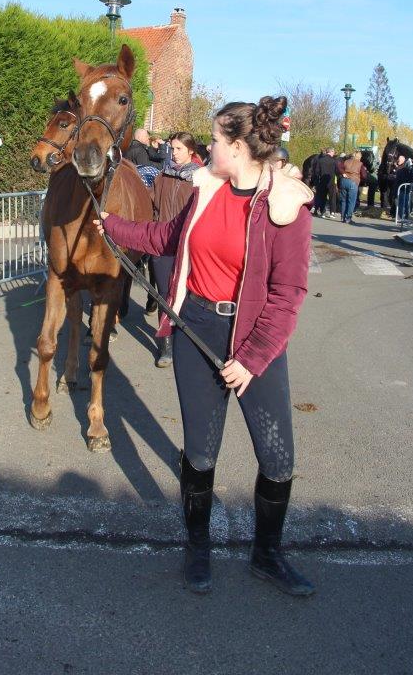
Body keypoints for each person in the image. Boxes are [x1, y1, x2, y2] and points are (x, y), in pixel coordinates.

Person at [94, 96, 314, 596]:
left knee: (277, 458)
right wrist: (113, 225)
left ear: (237, 147)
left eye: (214, 139)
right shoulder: (205, 191)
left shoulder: (286, 207)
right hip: (196, 329)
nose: (206, 146)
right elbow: (168, 236)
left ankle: (267, 554)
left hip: (256, 340)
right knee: (200, 452)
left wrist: (253, 358)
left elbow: (289, 293)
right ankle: (197, 546)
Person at [149, 132, 202, 367]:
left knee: (188, 296)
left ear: (190, 151)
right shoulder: (163, 175)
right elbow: (151, 204)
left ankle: (187, 340)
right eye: (172, 148)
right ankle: (166, 344)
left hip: (189, 248)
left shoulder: (199, 179)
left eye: (179, 149)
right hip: (162, 246)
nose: (174, 153)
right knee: (164, 295)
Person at [337, 151, 367, 224]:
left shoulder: (346, 161)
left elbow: (338, 167)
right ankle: (348, 218)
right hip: (353, 182)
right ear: (359, 157)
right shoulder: (360, 164)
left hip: (343, 181)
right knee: (351, 201)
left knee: (343, 200)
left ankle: (343, 217)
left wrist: (343, 173)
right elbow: (364, 175)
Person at [311, 148, 337, 218]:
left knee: (323, 196)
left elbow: (316, 171)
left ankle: (322, 211)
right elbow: (336, 171)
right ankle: (332, 212)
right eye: (333, 152)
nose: (334, 153)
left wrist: (316, 181)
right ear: (331, 152)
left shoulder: (320, 160)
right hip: (331, 180)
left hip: (322, 180)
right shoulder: (334, 161)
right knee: (332, 197)